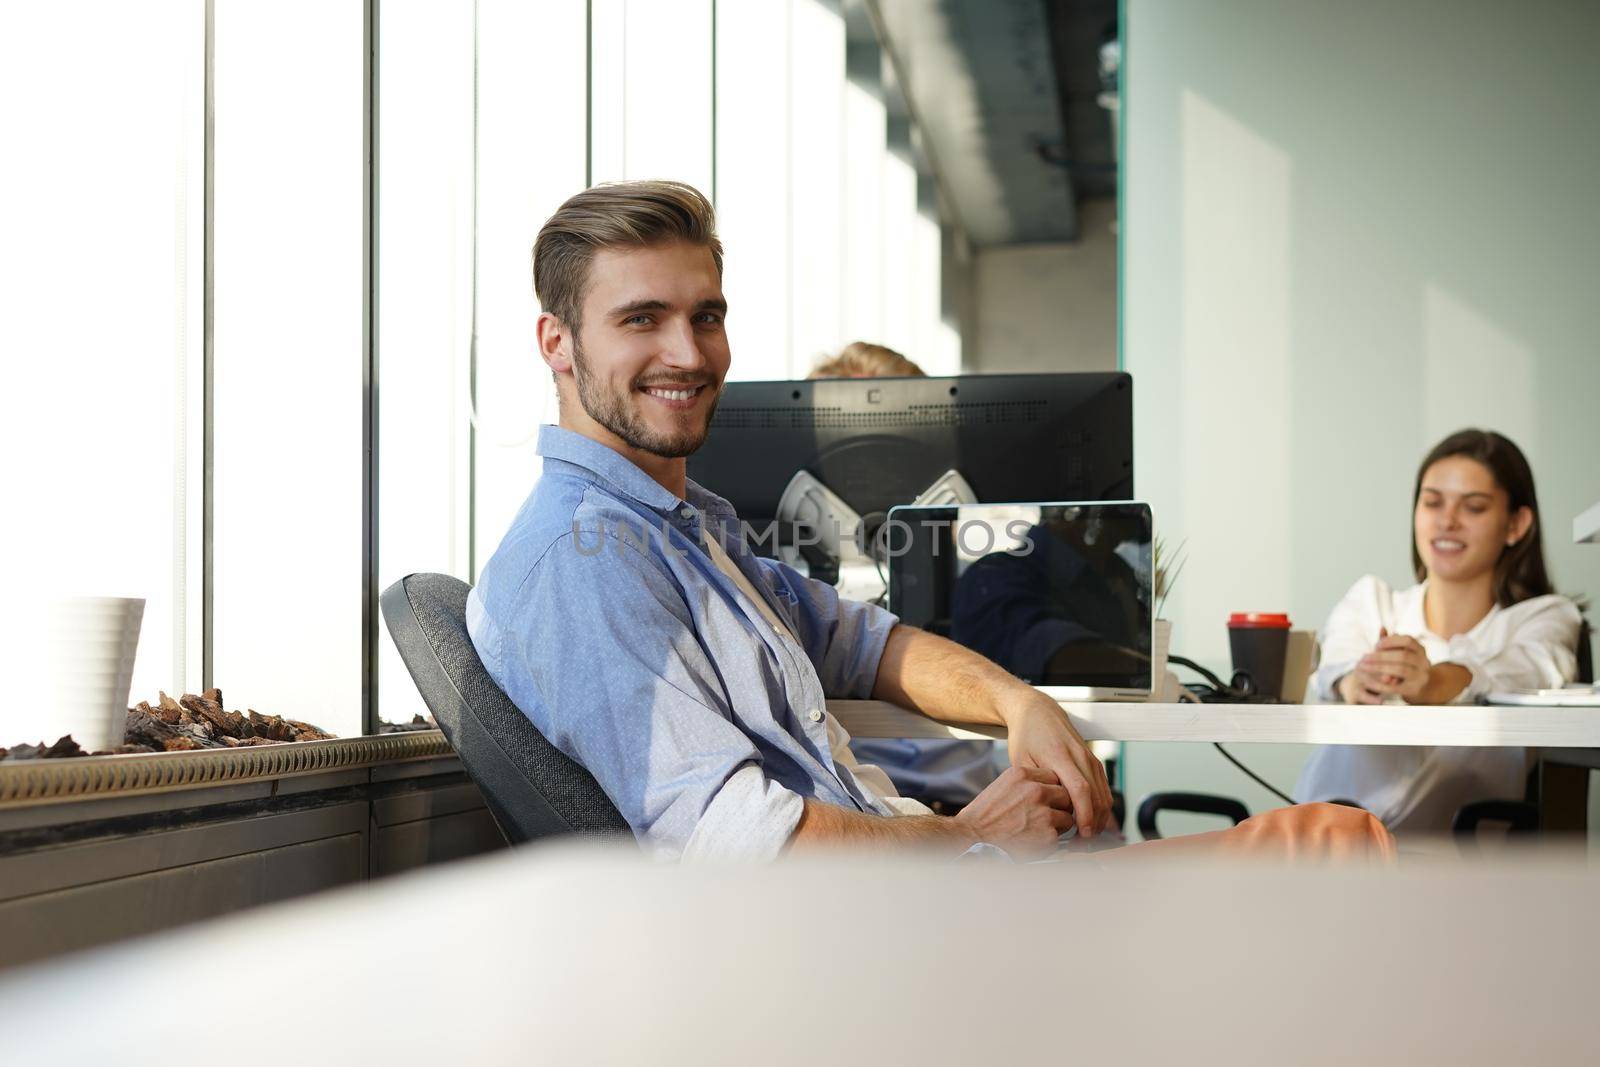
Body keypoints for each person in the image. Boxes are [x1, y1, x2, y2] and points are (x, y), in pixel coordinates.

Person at [467, 179, 1392, 863]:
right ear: (557, 342)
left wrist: (1015, 703)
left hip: (935, 895)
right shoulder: (583, 557)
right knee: (1331, 848)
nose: (689, 351)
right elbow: (737, 842)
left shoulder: (677, 527)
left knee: (1331, 857)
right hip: (897, 938)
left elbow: (860, 641)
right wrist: (963, 838)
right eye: (642, 318)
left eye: (705, 315)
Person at [1296, 429, 1583, 834]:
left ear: (1516, 524)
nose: (1447, 521)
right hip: (1322, 853)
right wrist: (1354, 682)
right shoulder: (1372, 601)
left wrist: (1433, 681)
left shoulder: (1544, 618)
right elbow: (1333, 666)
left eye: (1474, 508)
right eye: (1432, 503)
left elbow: (1527, 670)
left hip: (1463, 874)